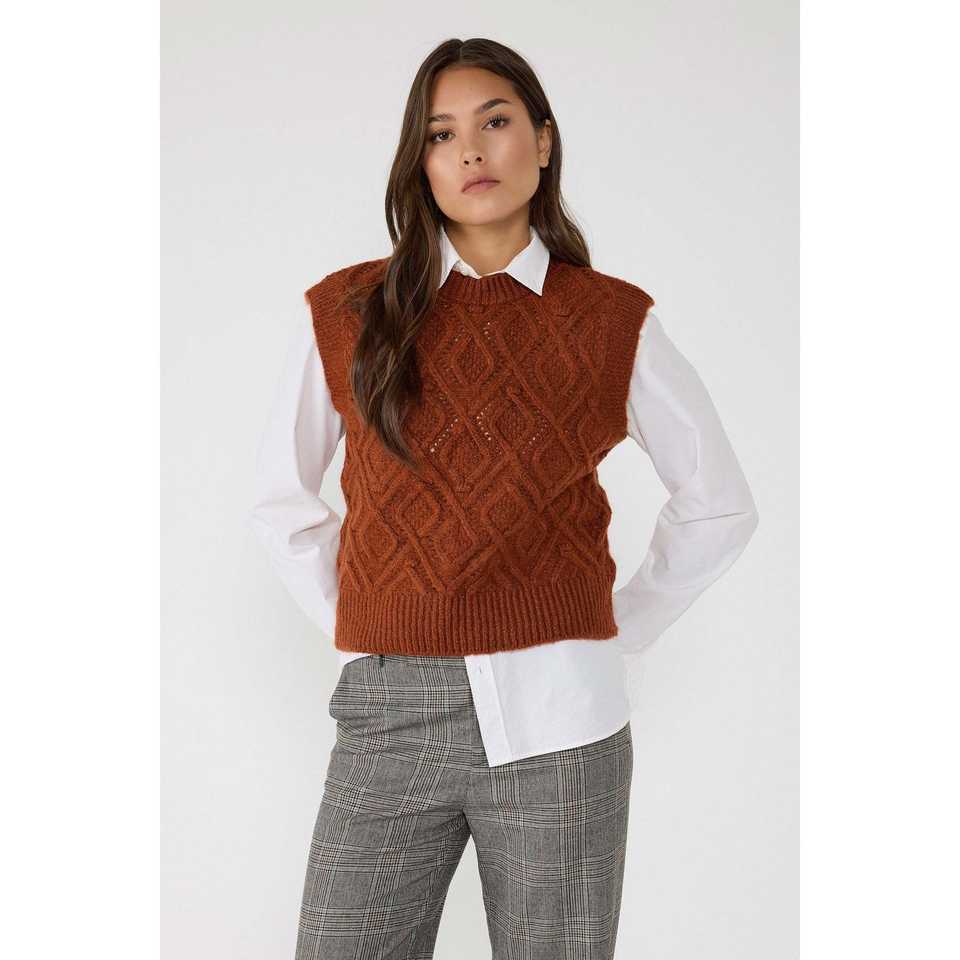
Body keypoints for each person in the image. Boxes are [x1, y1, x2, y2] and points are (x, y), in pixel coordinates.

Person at [249, 37, 759, 960]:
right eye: (441, 134)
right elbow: (282, 502)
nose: (472, 151)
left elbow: (719, 503)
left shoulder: (611, 321)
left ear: (544, 141)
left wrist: (611, 630)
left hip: (563, 720)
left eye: (495, 122)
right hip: (389, 713)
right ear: (420, 162)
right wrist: (369, 627)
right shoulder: (348, 312)